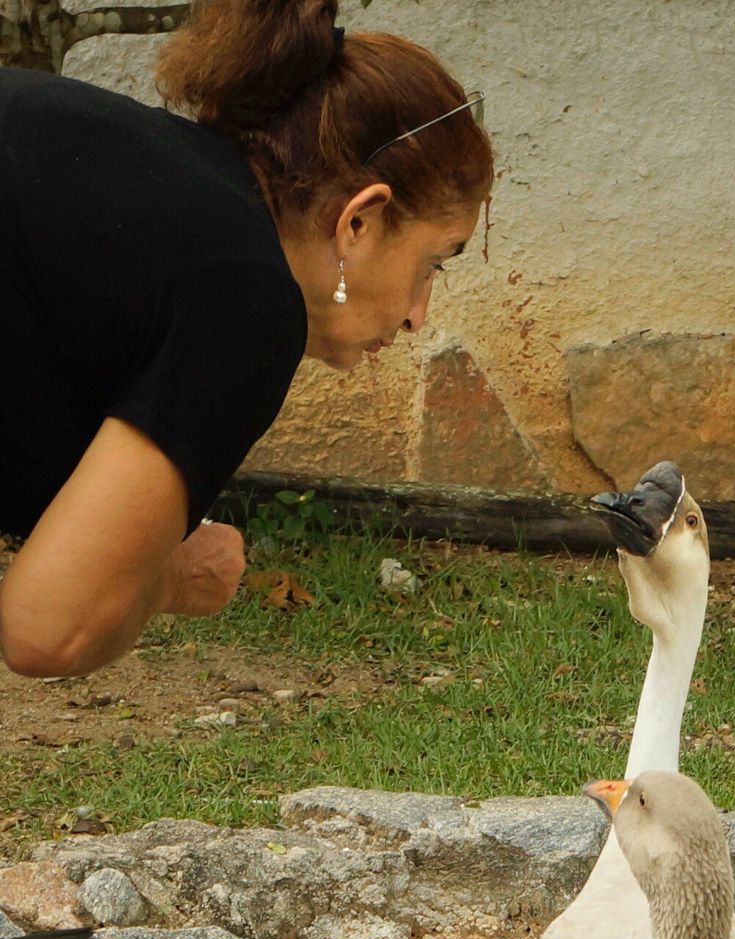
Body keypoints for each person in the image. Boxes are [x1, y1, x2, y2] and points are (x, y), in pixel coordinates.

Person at [0, 0, 493, 679]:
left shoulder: (150, 192)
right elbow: (47, 629)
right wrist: (171, 578)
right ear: (359, 222)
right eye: (433, 262)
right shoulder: (250, 294)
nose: (418, 314)